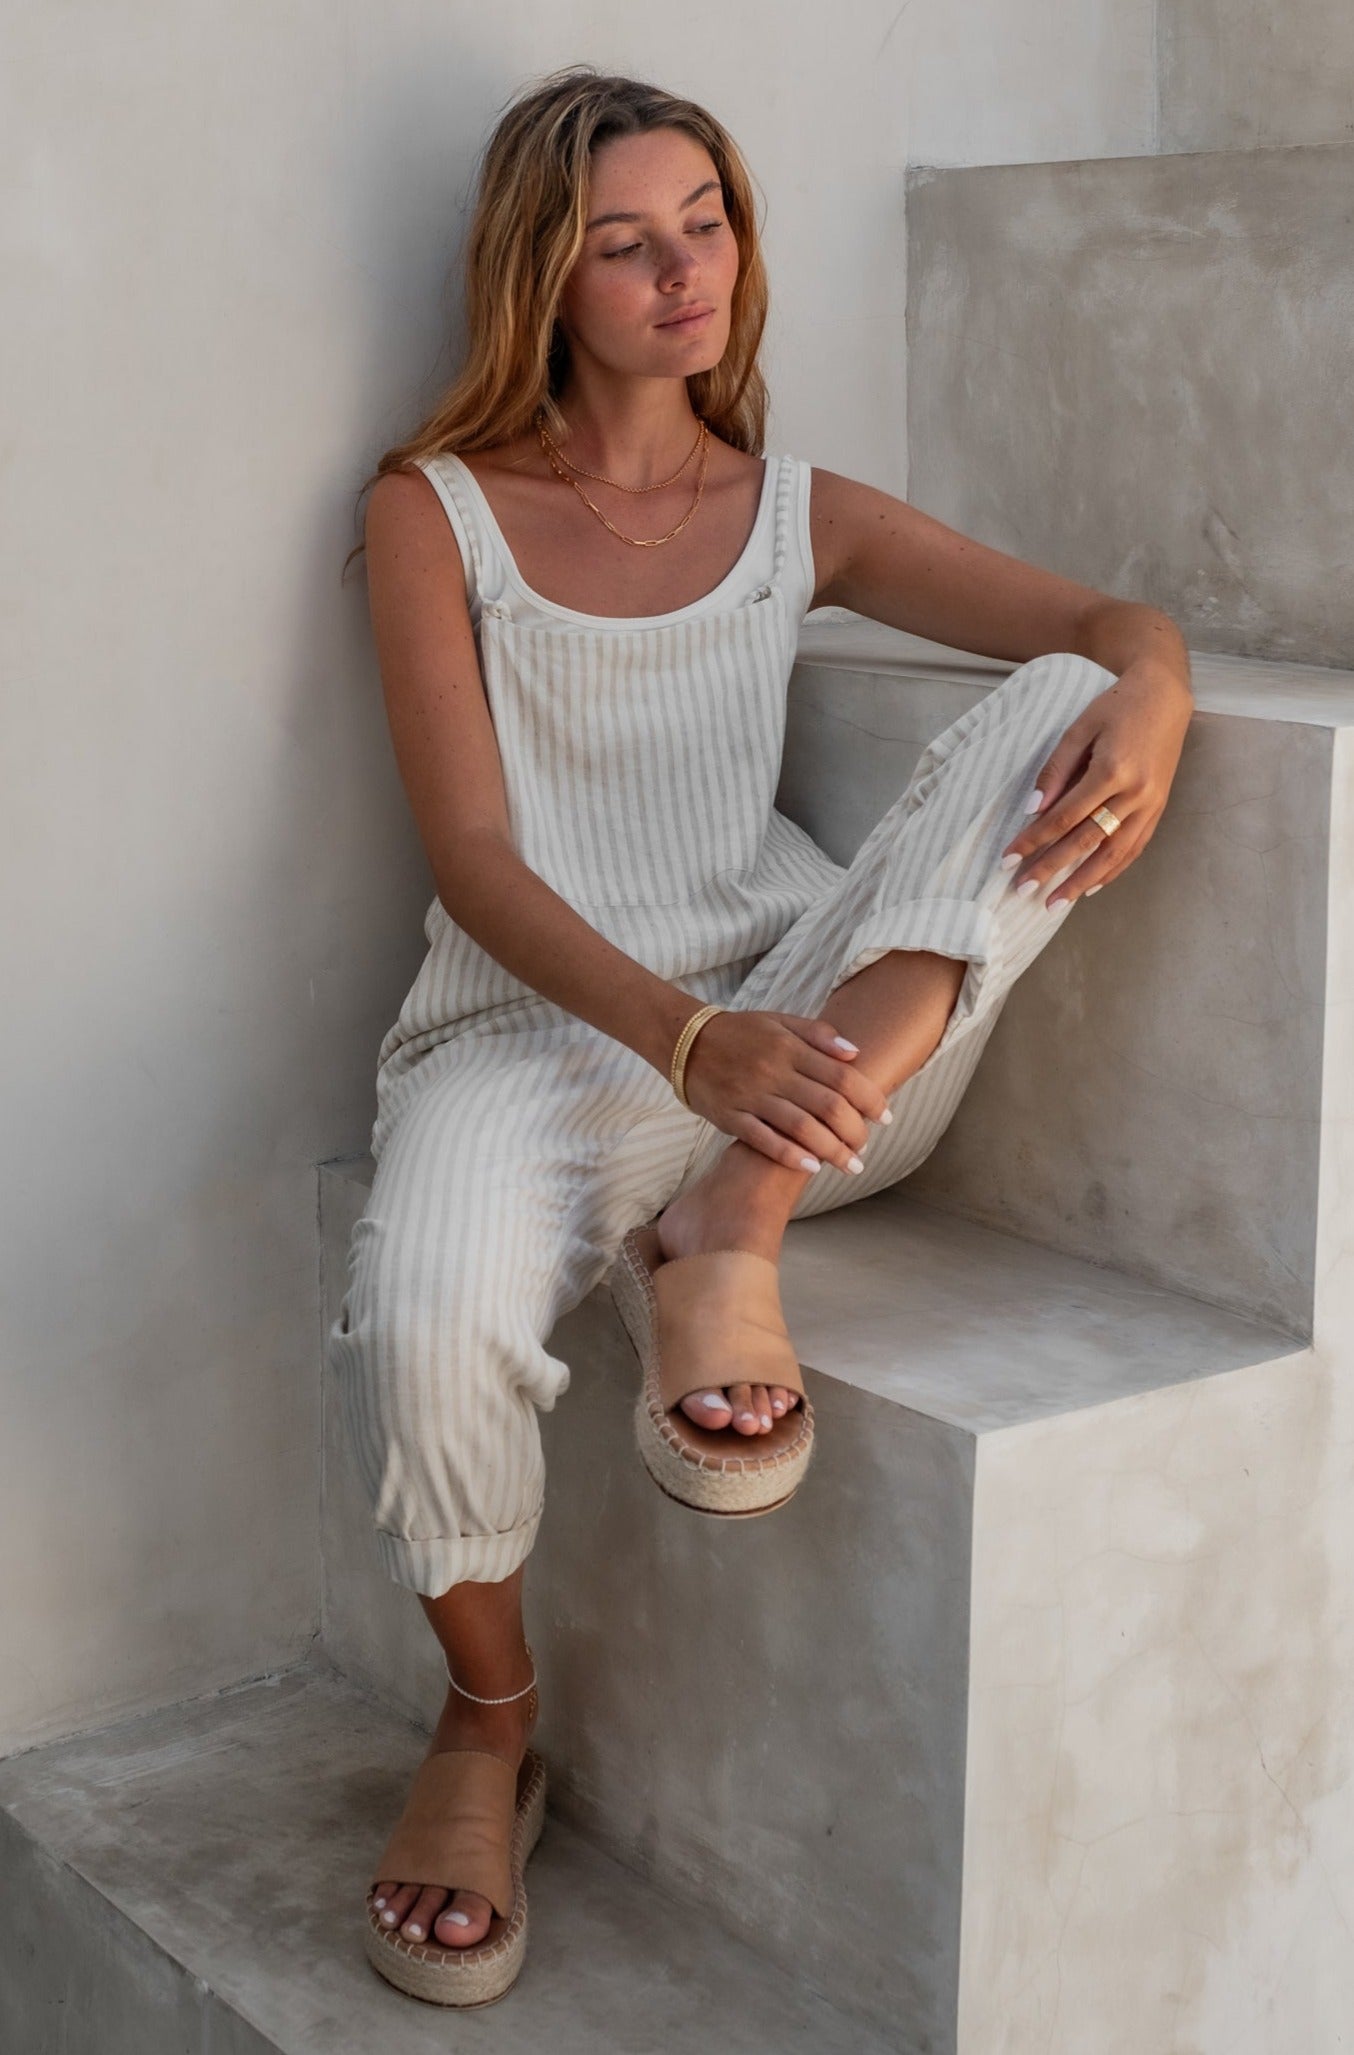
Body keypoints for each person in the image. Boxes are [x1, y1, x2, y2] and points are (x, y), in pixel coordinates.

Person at [329, 63, 1194, 2006]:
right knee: (421, 1308)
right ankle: (486, 1718)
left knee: (1048, 691)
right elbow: (473, 859)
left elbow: (1101, 624)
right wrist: (682, 1038)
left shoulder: (793, 510)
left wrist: (1145, 682)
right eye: (624, 245)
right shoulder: (434, 513)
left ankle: (732, 1223)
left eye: (704, 222)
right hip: (538, 1043)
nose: (682, 274)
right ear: (542, 280)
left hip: (814, 1052)